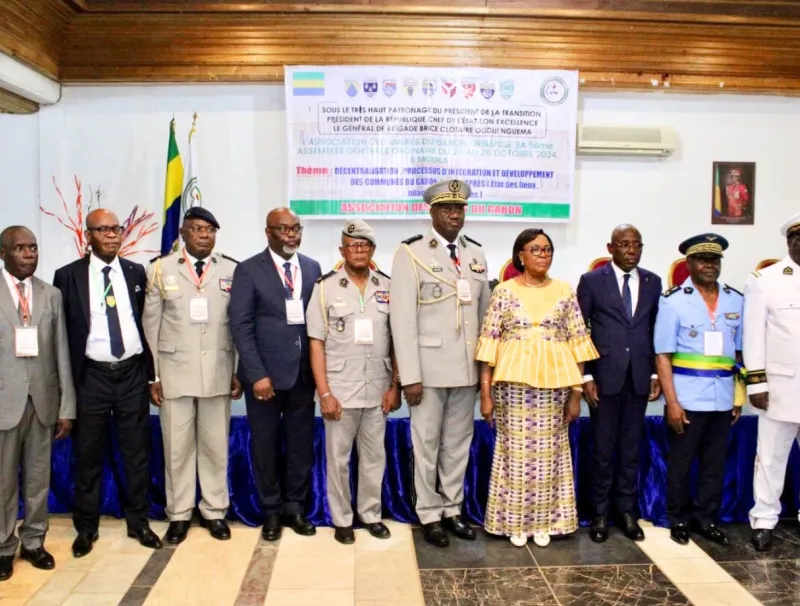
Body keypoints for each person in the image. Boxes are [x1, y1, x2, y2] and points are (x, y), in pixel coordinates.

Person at [477, 228, 598, 548]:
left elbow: (578, 344)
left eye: (548, 250)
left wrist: (576, 393)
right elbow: (488, 344)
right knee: (514, 456)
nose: (543, 255)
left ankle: (546, 521)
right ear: (521, 255)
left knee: (550, 457)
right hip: (512, 389)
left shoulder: (564, 291)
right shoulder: (503, 291)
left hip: (555, 389)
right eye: (536, 249)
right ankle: (513, 523)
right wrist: (486, 395)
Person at [53, 209, 161, 557]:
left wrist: (150, 374)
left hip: (131, 373)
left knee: (136, 452)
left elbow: (144, 321)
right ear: (88, 236)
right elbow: (61, 335)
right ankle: (86, 528)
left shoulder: (135, 271)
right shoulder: (68, 276)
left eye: (116, 229)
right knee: (88, 455)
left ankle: (139, 522)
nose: (112, 235)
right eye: (103, 230)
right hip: (91, 377)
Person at [390, 179, 490, 547]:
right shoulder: (411, 253)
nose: (454, 214)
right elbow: (401, 320)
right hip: (428, 372)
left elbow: (483, 318)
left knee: (458, 443)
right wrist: (409, 378)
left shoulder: (476, 255)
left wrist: (483, 374)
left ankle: (452, 508)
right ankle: (429, 513)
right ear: (431, 212)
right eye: (447, 208)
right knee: (427, 443)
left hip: (465, 369)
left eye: (459, 208)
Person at [143, 207, 242, 545]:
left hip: (218, 371)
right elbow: (150, 327)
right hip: (175, 374)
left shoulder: (231, 269)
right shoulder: (160, 269)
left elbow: (239, 326)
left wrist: (237, 370)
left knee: (216, 447)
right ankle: (180, 514)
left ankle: (215, 511)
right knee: (177, 449)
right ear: (183, 233)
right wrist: (153, 376)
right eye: (198, 229)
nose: (205, 235)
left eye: (211, 230)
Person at [229, 207, 321, 542]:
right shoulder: (249, 270)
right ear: (268, 232)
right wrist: (257, 374)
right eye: (284, 229)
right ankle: (270, 510)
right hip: (264, 378)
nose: (292, 235)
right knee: (265, 445)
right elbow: (240, 325)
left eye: (296, 228)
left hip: (301, 376)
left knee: (299, 445)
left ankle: (294, 508)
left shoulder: (312, 268)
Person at [307, 219, 399, 545]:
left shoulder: (388, 286)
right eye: (352, 245)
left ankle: (371, 514)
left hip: (377, 389)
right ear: (342, 250)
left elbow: (397, 340)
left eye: (364, 245)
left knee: (375, 458)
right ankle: (343, 519)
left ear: (372, 250)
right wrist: (325, 392)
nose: (358, 250)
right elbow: (315, 343)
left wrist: (395, 386)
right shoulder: (324, 288)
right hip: (340, 390)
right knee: (339, 459)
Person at [654, 233, 743, 546]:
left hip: (723, 398)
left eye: (714, 259)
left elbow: (740, 354)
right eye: (703, 259)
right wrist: (672, 403)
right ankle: (677, 517)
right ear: (688, 264)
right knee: (681, 462)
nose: (710, 265)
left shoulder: (736, 300)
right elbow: (663, 356)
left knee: (714, 464)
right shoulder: (673, 301)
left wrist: (738, 396)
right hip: (688, 397)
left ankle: (705, 518)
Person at [577, 224, 662, 544]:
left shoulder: (653, 282)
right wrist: (585, 376)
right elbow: (580, 331)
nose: (631, 251)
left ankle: (626, 512)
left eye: (636, 245)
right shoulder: (591, 281)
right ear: (610, 248)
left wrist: (654, 372)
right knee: (602, 449)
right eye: (624, 245)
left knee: (630, 450)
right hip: (603, 377)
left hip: (639, 377)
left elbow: (655, 329)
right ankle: (599, 512)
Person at [0, 227, 75, 581]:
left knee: (37, 478)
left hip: (43, 402)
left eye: (33, 247)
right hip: (4, 401)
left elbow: (61, 352)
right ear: (3, 253)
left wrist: (66, 407)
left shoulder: (52, 295)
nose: (29, 254)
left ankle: (33, 542)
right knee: (2, 482)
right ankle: (2, 547)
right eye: (20, 248)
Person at [745, 213, 800, 551]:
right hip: (781, 388)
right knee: (770, 458)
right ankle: (764, 520)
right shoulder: (766, 280)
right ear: (789, 242)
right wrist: (756, 383)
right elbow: (753, 335)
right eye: (798, 239)